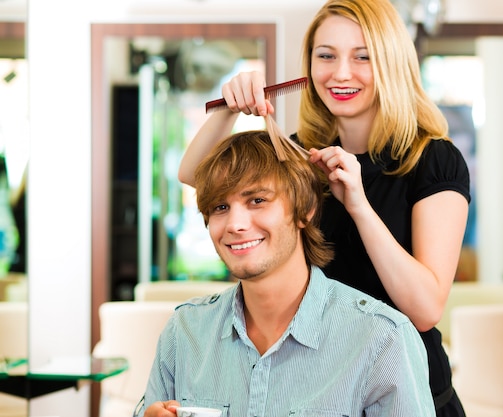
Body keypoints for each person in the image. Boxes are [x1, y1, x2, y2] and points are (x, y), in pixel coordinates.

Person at [178, 0, 470, 414]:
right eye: (326, 56)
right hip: (324, 389)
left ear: (391, 62)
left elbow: (425, 309)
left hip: (409, 390)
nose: (341, 73)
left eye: (362, 56)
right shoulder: (300, 156)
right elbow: (196, 176)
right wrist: (227, 111)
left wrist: (358, 205)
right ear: (309, 66)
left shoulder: (432, 160)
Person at [136, 127, 436, 417]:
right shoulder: (185, 332)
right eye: (220, 207)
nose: (235, 225)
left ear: (305, 210)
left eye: (257, 201)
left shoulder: (381, 340)